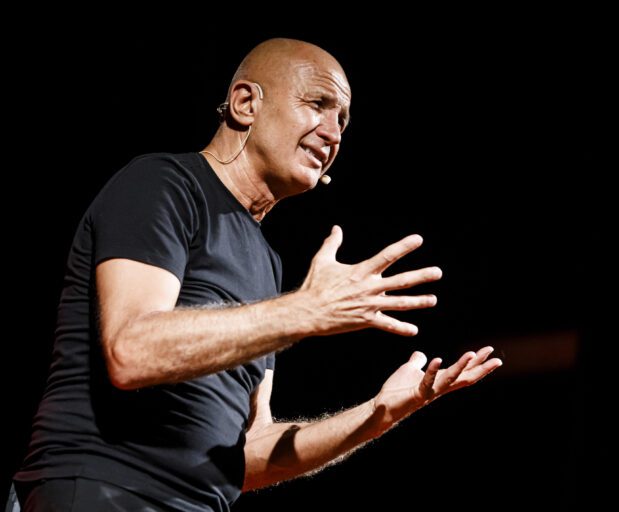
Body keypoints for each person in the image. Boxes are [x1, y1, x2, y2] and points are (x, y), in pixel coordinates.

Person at [12, 38, 502, 511]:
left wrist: (377, 415)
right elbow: (132, 350)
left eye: (343, 121)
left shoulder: (267, 262)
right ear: (245, 102)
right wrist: (305, 311)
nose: (333, 134)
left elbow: (247, 455)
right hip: (102, 488)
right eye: (318, 104)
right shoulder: (162, 186)